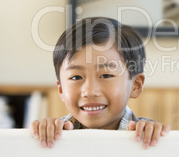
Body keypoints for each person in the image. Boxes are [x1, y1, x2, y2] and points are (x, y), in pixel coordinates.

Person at [31, 17, 170, 149]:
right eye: (76, 77)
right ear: (61, 89)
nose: (90, 91)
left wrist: (161, 142)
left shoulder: (154, 137)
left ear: (135, 85)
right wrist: (40, 138)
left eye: (105, 75)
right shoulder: (50, 137)